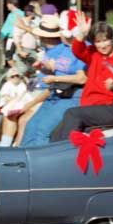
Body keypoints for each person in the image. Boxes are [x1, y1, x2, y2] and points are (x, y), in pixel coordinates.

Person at [51, 16, 113, 142]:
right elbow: (77, 51)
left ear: (112, 40)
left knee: (72, 113)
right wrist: (82, 34)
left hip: (111, 108)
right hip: (90, 107)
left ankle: (65, 150)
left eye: (105, 40)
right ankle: (53, 154)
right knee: (56, 132)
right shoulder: (94, 54)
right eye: (98, 42)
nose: (102, 45)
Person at [19, 14, 88, 147]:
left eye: (62, 31)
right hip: (56, 94)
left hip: (73, 97)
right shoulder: (64, 48)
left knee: (42, 130)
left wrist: (54, 78)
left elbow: (82, 78)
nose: (60, 35)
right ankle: (22, 160)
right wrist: (43, 67)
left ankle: (41, 163)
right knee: (30, 126)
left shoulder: (81, 49)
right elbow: (53, 68)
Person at [0, 68, 32, 146]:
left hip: (22, 105)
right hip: (11, 105)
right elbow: (5, 97)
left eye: (17, 76)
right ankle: (6, 143)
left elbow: (26, 96)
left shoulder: (22, 85)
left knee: (23, 118)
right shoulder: (7, 85)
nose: (15, 78)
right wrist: (14, 99)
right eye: (12, 76)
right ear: (8, 78)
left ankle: (16, 144)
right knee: (11, 117)